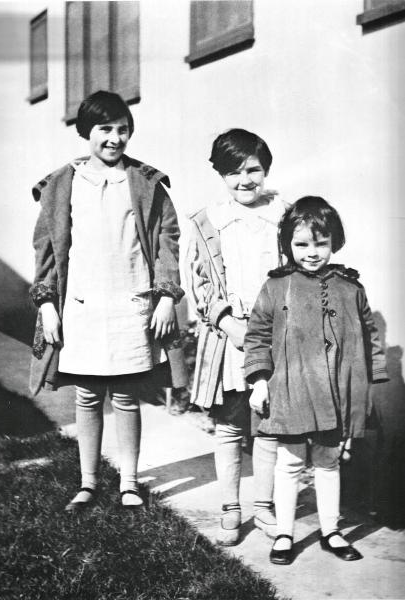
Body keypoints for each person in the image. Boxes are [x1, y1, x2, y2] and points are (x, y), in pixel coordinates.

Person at [29, 90, 187, 510]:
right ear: (87, 131)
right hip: (82, 309)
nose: (115, 138)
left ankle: (130, 482)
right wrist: (47, 304)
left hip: (130, 307)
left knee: (125, 396)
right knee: (87, 396)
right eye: (105, 129)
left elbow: (167, 241)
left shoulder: (146, 183)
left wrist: (166, 297)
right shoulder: (62, 185)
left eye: (123, 129)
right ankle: (88, 482)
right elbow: (46, 248)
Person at [244, 196, 388, 564]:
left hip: (336, 393)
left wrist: (370, 385)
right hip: (291, 391)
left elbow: (369, 337)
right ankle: (284, 533)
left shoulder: (350, 287)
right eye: (302, 244)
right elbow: (257, 335)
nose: (311, 252)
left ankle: (331, 531)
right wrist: (259, 381)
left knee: (328, 461)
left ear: (334, 242)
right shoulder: (276, 286)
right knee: (290, 463)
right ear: (288, 244)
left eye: (321, 243)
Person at [186, 128, 285, 545]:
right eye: (234, 172)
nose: (245, 180)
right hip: (230, 333)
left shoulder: (282, 216)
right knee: (229, 421)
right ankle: (230, 506)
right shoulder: (209, 220)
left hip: (275, 334)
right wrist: (228, 323)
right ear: (220, 175)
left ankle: (263, 506)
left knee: (268, 424)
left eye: (253, 170)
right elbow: (199, 281)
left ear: (266, 170)